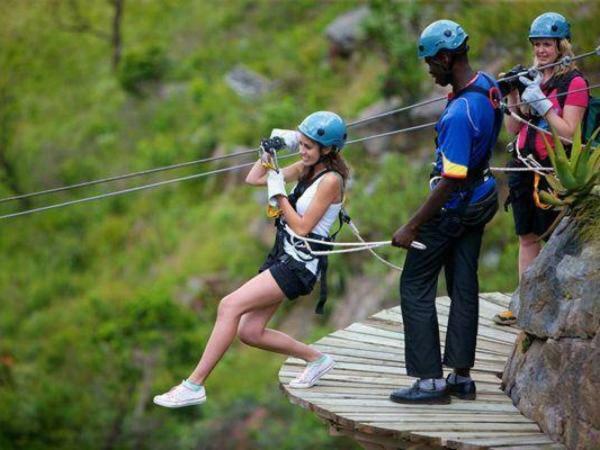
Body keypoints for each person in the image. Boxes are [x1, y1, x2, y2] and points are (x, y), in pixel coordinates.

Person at [152, 111, 349, 408]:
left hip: (300, 265)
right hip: (283, 256)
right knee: (249, 331)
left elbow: (303, 226)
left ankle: (194, 385)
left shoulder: (330, 180)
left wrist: (279, 193)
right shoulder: (306, 167)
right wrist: (270, 151)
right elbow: (254, 178)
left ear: (328, 149)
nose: (302, 150)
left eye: (308, 146)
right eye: (301, 143)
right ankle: (317, 359)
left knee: (229, 305)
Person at [389, 19, 503, 404]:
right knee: (463, 284)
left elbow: (451, 179)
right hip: (482, 196)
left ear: (445, 57)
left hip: (453, 206)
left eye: (430, 63)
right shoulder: (487, 86)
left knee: (415, 286)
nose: (429, 70)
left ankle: (429, 382)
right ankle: (461, 376)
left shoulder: (457, 116)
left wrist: (412, 225)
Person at [494, 12, 589, 326]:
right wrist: (512, 94)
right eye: (536, 45)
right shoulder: (533, 78)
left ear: (561, 46)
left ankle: (561, 308)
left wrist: (542, 103)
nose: (540, 51)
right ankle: (525, 303)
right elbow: (512, 127)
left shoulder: (573, 83)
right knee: (527, 238)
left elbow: (568, 132)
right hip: (523, 168)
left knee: (557, 240)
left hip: (555, 171)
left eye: (546, 44)